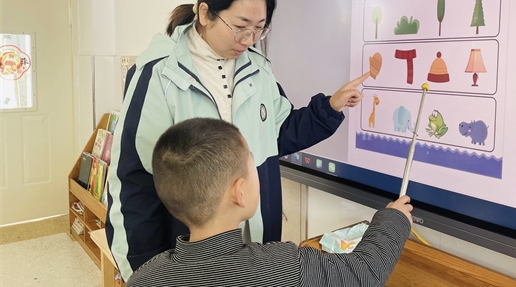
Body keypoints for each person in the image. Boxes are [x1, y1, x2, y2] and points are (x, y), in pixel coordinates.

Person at [106, 0, 371, 281]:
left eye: (259, 28)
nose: (248, 39)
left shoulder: (258, 70)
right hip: (184, 266)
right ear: (205, 13)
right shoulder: (159, 75)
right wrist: (141, 272)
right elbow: (133, 182)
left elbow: (278, 132)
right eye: (240, 26)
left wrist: (330, 107)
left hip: (254, 252)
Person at [127, 117, 413, 287]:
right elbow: (364, 273)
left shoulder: (145, 278)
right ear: (239, 192)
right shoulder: (281, 267)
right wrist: (393, 218)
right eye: (252, 163)